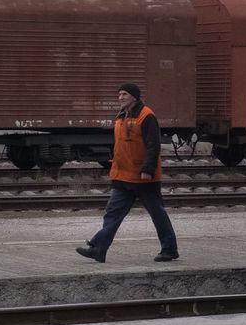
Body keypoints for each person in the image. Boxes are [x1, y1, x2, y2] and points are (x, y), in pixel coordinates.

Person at [76, 82, 179, 263]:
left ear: (134, 97)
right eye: (119, 94)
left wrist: (148, 169)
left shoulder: (146, 116)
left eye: (124, 94)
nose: (120, 97)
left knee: (157, 214)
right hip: (123, 176)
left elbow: (153, 146)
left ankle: (169, 249)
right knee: (112, 213)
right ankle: (98, 249)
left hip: (143, 178)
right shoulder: (123, 115)